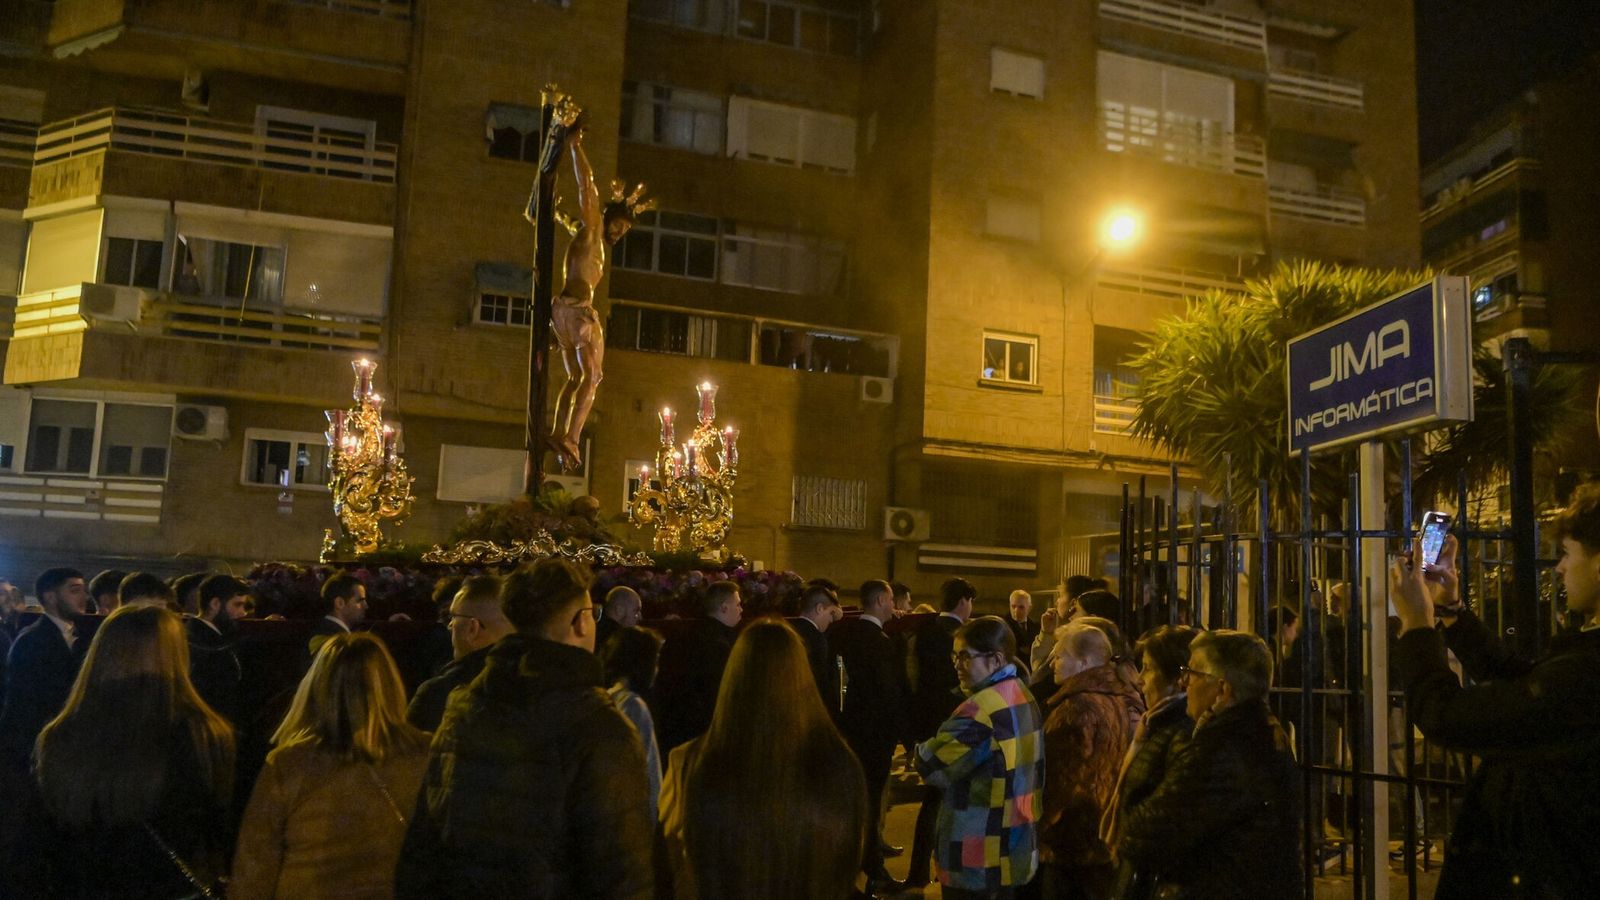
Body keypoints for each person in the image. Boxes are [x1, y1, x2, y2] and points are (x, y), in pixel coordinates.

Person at [396, 558, 652, 899]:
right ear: (580, 622)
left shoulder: (463, 706)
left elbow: (424, 844)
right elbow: (621, 871)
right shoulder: (600, 727)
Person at [1391, 485, 1600, 899]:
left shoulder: (1586, 675)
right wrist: (1450, 610)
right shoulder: (1581, 661)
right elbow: (1523, 684)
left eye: (1569, 553)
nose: (1559, 568)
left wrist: (1416, 623)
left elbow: (1445, 716)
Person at [30, 605, 235, 896]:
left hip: (81, 885)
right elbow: (215, 827)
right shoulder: (204, 732)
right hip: (167, 886)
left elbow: (44, 831)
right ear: (177, 655)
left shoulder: (64, 732)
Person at [659, 620, 867, 900]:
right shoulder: (838, 762)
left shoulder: (690, 761)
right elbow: (850, 857)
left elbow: (671, 857)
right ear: (803, 678)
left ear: (733, 677)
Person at [230, 632, 432, 900]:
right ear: (389, 686)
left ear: (316, 686)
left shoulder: (289, 764)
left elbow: (255, 866)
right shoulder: (425, 755)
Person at [1115, 630, 1300, 899]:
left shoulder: (1222, 750)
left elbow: (1144, 834)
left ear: (1222, 689)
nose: (1185, 682)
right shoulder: (1259, 731)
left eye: (1192, 673)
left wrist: (1134, 800)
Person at [538, 96, 649, 470]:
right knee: (595, 375)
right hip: (579, 315)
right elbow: (588, 188)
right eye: (619, 226)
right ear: (610, 218)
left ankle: (557, 431)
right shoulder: (593, 227)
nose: (619, 233)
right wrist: (575, 147)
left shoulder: (593, 242)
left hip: (564, 316)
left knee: (575, 377)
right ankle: (571, 437)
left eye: (624, 231)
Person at [914, 616, 1044, 898]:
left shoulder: (981, 709)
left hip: (979, 855)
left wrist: (922, 748)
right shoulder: (1022, 693)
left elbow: (931, 765)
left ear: (996, 660)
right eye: (955, 656)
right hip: (1014, 846)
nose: (957, 665)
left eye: (965, 657)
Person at [1037, 621, 1144, 900]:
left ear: (1084, 662)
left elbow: (1061, 782)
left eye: (1060, 657)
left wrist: (1042, 826)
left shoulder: (1076, 708)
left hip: (1070, 839)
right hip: (1102, 831)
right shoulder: (1115, 698)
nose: (1053, 664)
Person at [1101, 625, 1198, 888]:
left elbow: (1165, 819)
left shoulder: (1182, 733)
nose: (1140, 679)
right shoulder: (1154, 724)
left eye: (1149, 668)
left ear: (1179, 678)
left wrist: (1128, 832)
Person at [829, 579, 909, 895]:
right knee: (873, 803)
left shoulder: (846, 634)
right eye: (891, 601)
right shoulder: (881, 642)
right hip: (877, 735)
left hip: (852, 729)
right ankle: (872, 868)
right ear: (878, 601)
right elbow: (890, 694)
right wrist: (905, 733)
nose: (896, 607)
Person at [905, 576, 975, 887]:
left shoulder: (925, 630)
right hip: (955, 726)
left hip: (927, 724)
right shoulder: (960, 635)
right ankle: (943, 870)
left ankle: (918, 869)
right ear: (964, 602)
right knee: (946, 801)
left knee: (932, 798)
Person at [0, 568, 87, 770]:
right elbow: (25, 704)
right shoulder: (32, 640)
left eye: (84, 590)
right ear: (50, 597)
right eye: (75, 590)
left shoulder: (82, 636)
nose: (84, 597)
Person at [407, 575, 513, 732]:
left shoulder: (438, 695)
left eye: (452, 617)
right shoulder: (540, 685)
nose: (450, 625)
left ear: (473, 628)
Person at [657, 579, 742, 751]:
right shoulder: (720, 646)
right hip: (704, 733)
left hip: (673, 729)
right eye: (738, 604)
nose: (741, 609)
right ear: (724, 607)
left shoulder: (683, 635)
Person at [601, 626, 665, 821]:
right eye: (655, 661)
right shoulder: (634, 707)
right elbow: (647, 774)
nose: (656, 669)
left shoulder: (606, 698)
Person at [188, 573, 249, 723]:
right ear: (215, 604)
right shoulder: (198, 641)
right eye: (237, 605)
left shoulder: (216, 639)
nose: (243, 613)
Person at [794, 581, 842, 710]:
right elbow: (820, 683)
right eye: (831, 613)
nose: (831, 620)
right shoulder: (817, 639)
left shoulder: (789, 629)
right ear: (819, 608)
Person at [310, 573, 367, 658]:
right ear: (339, 603)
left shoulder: (322, 632)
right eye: (360, 601)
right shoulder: (335, 641)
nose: (366, 606)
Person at [596, 585, 643, 653]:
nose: (639, 617)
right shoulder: (620, 642)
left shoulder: (594, 629)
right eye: (636, 611)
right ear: (619, 610)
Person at [1004, 589, 1041, 661]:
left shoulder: (1036, 626)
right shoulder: (1003, 626)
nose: (1016, 611)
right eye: (1013, 606)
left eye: (1021, 607)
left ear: (1029, 608)